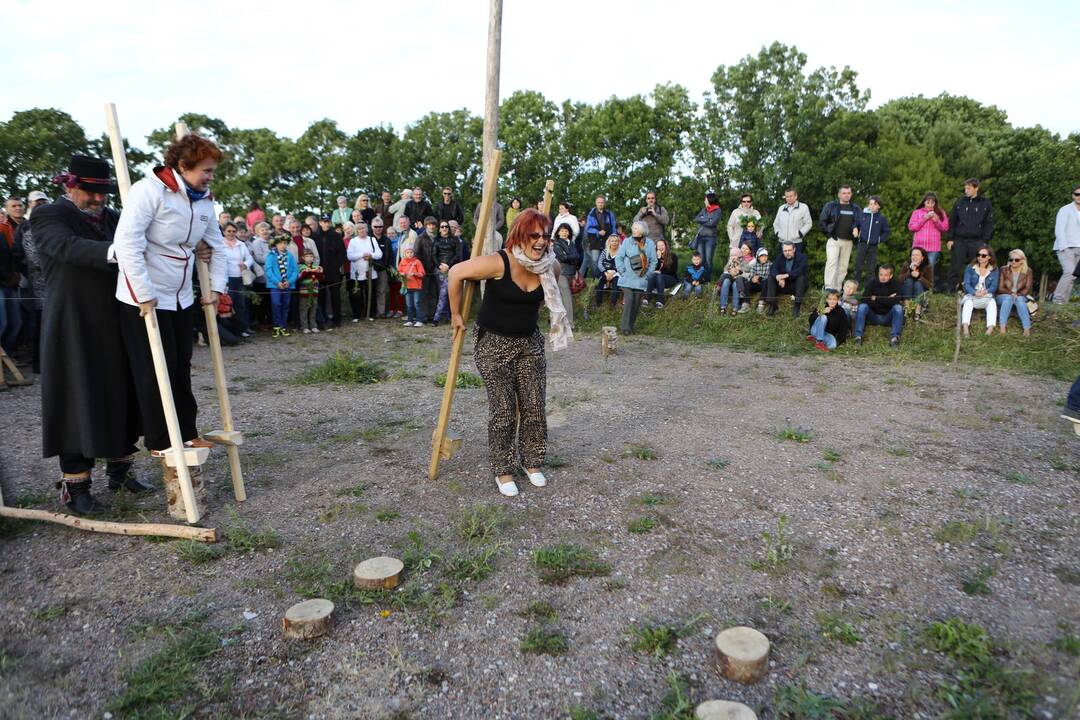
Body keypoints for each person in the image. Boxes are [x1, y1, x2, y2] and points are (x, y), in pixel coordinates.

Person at [28, 156, 148, 513]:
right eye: (90, 193)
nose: (98, 200)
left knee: (122, 392)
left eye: (102, 193)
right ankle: (76, 486)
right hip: (72, 323)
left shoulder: (115, 218)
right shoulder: (49, 216)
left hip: (117, 319)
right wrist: (118, 251)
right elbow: (65, 246)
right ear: (70, 186)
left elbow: (151, 242)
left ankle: (121, 470)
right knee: (76, 400)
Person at [113, 134, 227, 474]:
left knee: (180, 364)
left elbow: (216, 246)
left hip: (181, 295)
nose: (210, 176)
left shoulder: (204, 200)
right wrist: (143, 292)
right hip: (144, 296)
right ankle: (161, 439)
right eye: (206, 170)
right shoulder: (149, 190)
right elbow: (127, 243)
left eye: (212, 171)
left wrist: (217, 288)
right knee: (153, 370)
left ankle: (188, 432)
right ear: (183, 166)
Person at [448, 208, 572, 497]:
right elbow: (456, 273)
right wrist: (455, 314)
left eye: (545, 236)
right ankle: (503, 469)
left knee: (534, 406)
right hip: (493, 344)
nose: (541, 241)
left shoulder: (550, 267)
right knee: (504, 409)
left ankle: (532, 462)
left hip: (529, 343)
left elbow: (544, 299)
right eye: (534, 235)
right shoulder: (499, 262)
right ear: (520, 235)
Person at [948, 179, 994, 291]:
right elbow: (952, 221)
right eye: (965, 188)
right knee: (955, 266)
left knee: (975, 267)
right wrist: (950, 238)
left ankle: (973, 290)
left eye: (969, 188)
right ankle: (951, 291)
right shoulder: (960, 202)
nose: (966, 190)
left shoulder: (985, 203)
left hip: (977, 241)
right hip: (960, 240)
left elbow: (989, 223)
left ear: (976, 188)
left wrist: (985, 242)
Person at [614, 221, 657, 335]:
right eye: (633, 228)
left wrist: (648, 275)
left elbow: (654, 261)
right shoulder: (627, 241)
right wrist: (622, 271)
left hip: (641, 279)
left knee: (637, 303)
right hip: (627, 278)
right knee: (629, 300)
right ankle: (625, 328)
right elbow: (619, 257)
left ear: (643, 230)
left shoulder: (650, 243)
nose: (634, 230)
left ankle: (630, 326)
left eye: (636, 228)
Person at [820, 186, 862, 290]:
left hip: (848, 242)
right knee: (831, 263)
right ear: (839, 194)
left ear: (851, 194)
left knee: (843, 267)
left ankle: (837, 289)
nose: (846, 195)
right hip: (834, 240)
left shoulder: (856, 208)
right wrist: (829, 235)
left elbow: (860, 222)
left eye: (848, 193)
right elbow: (822, 221)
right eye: (844, 193)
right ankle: (828, 288)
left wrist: (857, 228)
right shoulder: (831, 206)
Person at [854, 264, 904, 347]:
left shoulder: (896, 284)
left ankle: (895, 338)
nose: (883, 277)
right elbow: (864, 299)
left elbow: (896, 301)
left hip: (888, 317)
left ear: (891, 276)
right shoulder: (872, 283)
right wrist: (888, 299)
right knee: (862, 306)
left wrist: (876, 298)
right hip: (873, 316)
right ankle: (858, 337)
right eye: (881, 274)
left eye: (886, 275)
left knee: (898, 308)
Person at [221, 222, 254, 337]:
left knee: (241, 304)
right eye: (229, 231)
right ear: (224, 232)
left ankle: (242, 329)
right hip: (226, 278)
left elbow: (249, 258)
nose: (231, 233)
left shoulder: (241, 244)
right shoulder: (220, 244)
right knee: (228, 305)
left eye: (233, 231)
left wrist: (245, 264)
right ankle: (231, 330)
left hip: (239, 277)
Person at [908, 192, 949, 279]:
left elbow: (945, 228)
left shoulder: (940, 213)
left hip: (933, 247)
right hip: (919, 247)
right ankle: (917, 289)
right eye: (928, 202)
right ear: (924, 202)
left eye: (932, 203)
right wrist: (924, 218)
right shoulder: (917, 212)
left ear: (935, 203)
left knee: (930, 269)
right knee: (917, 267)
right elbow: (912, 227)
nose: (930, 205)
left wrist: (936, 220)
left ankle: (929, 290)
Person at [346, 221, 383, 321]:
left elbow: (379, 253)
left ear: (366, 229)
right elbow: (350, 256)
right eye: (359, 229)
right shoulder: (353, 241)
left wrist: (371, 255)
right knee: (357, 294)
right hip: (357, 273)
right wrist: (362, 254)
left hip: (370, 272)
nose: (361, 230)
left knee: (370, 293)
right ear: (356, 231)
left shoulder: (372, 239)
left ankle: (370, 314)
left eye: (363, 228)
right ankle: (357, 315)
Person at [852, 195, 890, 288]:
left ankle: (868, 289)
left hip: (873, 246)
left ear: (879, 206)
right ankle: (855, 288)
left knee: (871, 269)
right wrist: (855, 228)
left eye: (874, 204)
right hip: (862, 244)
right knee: (858, 267)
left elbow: (886, 231)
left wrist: (879, 239)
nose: (872, 206)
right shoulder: (863, 215)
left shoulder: (881, 218)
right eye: (870, 204)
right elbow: (855, 224)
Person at [961, 246, 999, 336]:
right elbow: (966, 284)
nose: (980, 257)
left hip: (986, 295)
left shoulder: (994, 269)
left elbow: (994, 286)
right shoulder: (970, 267)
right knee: (968, 304)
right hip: (972, 294)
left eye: (983, 255)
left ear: (989, 257)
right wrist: (975, 292)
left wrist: (985, 291)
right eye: (979, 255)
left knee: (992, 304)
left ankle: (990, 329)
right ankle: (965, 329)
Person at [1052, 184, 1080, 305]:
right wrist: (1064, 248)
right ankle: (1057, 300)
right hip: (1065, 247)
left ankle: (1064, 304)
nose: (1079, 197)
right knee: (1069, 271)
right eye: (1077, 194)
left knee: (1073, 276)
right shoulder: (1065, 210)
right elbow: (1059, 230)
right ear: (1073, 196)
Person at [265, 234, 297, 336]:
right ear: (276, 244)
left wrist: (290, 281)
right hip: (275, 286)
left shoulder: (290, 256)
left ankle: (283, 326)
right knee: (276, 304)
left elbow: (295, 271)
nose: (282, 245)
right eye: (280, 243)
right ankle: (276, 326)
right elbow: (268, 271)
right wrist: (277, 282)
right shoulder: (270, 256)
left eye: (284, 243)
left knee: (285, 305)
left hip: (288, 285)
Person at [764, 241, 808, 317]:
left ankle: (797, 305)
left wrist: (786, 275)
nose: (787, 253)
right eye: (785, 251)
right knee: (771, 277)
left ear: (794, 249)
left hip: (795, 286)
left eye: (789, 250)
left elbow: (800, 270)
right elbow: (773, 268)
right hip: (782, 285)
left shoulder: (802, 257)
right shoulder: (780, 257)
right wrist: (778, 277)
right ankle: (772, 305)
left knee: (801, 278)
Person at [997, 249, 1033, 336]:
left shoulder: (1028, 271)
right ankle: (1002, 327)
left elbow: (1027, 288)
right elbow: (1000, 288)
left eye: (1016, 260)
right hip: (1004, 295)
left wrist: (1018, 294)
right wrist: (1011, 293)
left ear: (1022, 261)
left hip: (1021, 295)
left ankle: (1026, 328)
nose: (1013, 262)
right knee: (1009, 298)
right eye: (1011, 259)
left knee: (1020, 300)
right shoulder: (1004, 269)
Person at [433, 220, 463, 324]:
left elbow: (458, 255)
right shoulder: (436, 240)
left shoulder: (455, 240)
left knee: (444, 293)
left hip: (452, 269)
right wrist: (440, 265)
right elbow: (433, 255)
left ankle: (436, 318)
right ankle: (447, 317)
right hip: (439, 270)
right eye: (442, 227)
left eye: (446, 226)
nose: (444, 228)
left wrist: (448, 265)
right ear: (439, 229)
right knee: (443, 293)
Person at [552, 222, 581, 328]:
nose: (564, 232)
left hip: (572, 272)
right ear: (558, 232)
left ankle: (556, 321)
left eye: (566, 230)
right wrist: (572, 256)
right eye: (562, 230)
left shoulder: (572, 243)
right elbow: (563, 258)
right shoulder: (557, 244)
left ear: (569, 232)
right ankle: (570, 324)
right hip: (561, 273)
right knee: (566, 297)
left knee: (560, 297)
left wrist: (569, 255)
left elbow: (578, 257)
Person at [691, 192, 723, 279]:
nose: (704, 201)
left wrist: (703, 219)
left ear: (709, 199)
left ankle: (707, 279)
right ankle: (700, 277)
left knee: (708, 259)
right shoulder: (704, 209)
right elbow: (697, 218)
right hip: (700, 237)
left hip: (710, 238)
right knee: (701, 259)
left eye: (705, 199)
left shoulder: (717, 210)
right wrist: (707, 219)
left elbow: (712, 223)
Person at [583, 195, 616, 280]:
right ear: (596, 203)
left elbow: (613, 227)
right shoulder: (591, 214)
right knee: (595, 261)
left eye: (602, 202)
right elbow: (588, 229)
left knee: (607, 260)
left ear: (604, 203)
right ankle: (596, 279)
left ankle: (606, 279)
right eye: (599, 202)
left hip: (607, 241)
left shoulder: (609, 214)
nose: (600, 204)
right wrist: (598, 232)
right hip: (595, 241)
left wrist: (614, 237)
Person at [773, 188, 813, 256]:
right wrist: (778, 233)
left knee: (796, 265)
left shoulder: (803, 207)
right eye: (787, 196)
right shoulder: (781, 208)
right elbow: (776, 223)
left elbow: (809, 223)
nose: (789, 198)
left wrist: (800, 233)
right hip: (783, 242)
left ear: (796, 196)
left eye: (791, 196)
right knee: (782, 265)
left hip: (796, 243)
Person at [899, 247, 933, 322]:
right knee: (909, 281)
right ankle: (907, 310)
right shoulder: (906, 265)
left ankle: (917, 312)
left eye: (917, 255)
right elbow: (900, 280)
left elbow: (930, 285)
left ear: (922, 258)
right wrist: (909, 272)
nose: (914, 257)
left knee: (918, 283)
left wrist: (919, 276)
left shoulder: (927, 267)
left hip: (920, 292)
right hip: (907, 290)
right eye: (912, 255)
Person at [370, 217, 393, 318]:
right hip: (370, 269)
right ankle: (370, 312)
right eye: (375, 227)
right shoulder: (369, 239)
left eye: (380, 227)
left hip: (383, 269)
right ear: (372, 227)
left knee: (382, 291)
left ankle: (381, 312)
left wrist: (389, 267)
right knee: (370, 290)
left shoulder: (386, 240)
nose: (378, 229)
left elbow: (391, 255)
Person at [397, 245, 426, 326]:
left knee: (417, 303)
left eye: (411, 252)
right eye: (408, 252)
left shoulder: (417, 262)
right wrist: (401, 274)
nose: (409, 254)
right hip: (407, 286)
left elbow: (422, 273)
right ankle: (410, 320)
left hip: (416, 286)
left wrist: (415, 274)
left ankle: (419, 320)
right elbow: (398, 271)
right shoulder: (402, 262)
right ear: (405, 254)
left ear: (414, 253)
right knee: (409, 304)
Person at [644, 238, 677, 307]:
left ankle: (660, 301)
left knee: (659, 275)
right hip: (657, 279)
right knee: (653, 275)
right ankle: (646, 299)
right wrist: (658, 259)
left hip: (670, 279)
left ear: (665, 246)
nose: (660, 247)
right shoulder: (655, 257)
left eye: (662, 245)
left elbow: (672, 271)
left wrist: (660, 272)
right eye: (658, 246)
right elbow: (653, 269)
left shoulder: (673, 256)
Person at [297, 250, 323, 334]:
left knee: (314, 309)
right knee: (304, 309)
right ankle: (304, 327)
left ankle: (313, 326)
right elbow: (300, 278)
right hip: (305, 293)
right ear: (303, 258)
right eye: (307, 256)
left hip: (314, 292)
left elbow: (320, 278)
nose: (309, 258)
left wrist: (320, 272)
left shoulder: (315, 266)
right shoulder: (301, 267)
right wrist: (306, 272)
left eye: (311, 256)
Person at [593, 235, 622, 308]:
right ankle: (598, 303)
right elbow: (600, 263)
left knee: (616, 285)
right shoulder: (605, 251)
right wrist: (605, 272)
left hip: (616, 272)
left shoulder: (621, 252)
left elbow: (623, 264)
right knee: (600, 282)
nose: (614, 243)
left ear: (619, 242)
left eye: (616, 241)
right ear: (609, 242)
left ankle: (613, 303)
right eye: (612, 241)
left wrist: (613, 273)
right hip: (605, 271)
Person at [717, 249, 743, 315]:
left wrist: (738, 269)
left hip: (737, 279)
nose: (733, 257)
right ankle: (723, 307)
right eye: (731, 255)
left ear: (739, 256)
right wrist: (729, 269)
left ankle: (735, 307)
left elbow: (746, 270)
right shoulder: (730, 262)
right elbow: (724, 270)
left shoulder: (742, 261)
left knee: (735, 285)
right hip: (730, 278)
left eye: (735, 255)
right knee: (725, 281)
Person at [746, 247, 771, 313]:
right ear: (758, 257)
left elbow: (769, 276)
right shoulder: (754, 265)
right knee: (747, 283)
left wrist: (759, 277)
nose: (764, 258)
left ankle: (761, 302)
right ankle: (746, 303)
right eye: (762, 256)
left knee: (766, 281)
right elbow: (750, 275)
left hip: (764, 285)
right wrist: (753, 279)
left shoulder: (770, 265)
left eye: (766, 256)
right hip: (756, 284)